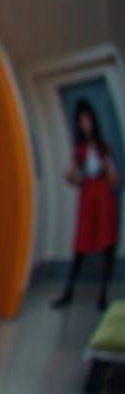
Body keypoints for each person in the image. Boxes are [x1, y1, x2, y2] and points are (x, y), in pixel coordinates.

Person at [53, 100, 120, 311]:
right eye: (82, 120)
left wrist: (110, 171)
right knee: (81, 243)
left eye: (88, 119)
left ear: (93, 120)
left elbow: (114, 179)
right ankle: (68, 292)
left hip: (104, 196)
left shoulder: (104, 147)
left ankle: (102, 295)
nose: (85, 123)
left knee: (107, 242)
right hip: (87, 196)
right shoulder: (78, 150)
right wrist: (70, 176)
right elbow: (72, 178)